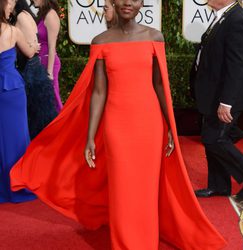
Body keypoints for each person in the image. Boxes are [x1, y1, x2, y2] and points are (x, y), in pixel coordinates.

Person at [10, 0, 226, 249]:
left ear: (142, 3)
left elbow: (159, 85)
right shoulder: (101, 41)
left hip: (149, 124)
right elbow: (99, 92)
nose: (127, 3)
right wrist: (90, 136)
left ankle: (145, 241)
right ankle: (124, 243)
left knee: (145, 189)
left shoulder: (155, 36)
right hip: (117, 126)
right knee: (122, 188)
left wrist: (169, 127)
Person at [190, 0, 243, 200]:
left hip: (226, 96)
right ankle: (219, 185)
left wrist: (227, 102)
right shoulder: (224, 16)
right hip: (213, 93)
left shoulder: (236, 19)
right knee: (212, 139)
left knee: (214, 139)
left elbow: (237, 64)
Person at [0, 0, 38, 202]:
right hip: (12, 89)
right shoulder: (13, 31)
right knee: (18, 137)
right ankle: (18, 183)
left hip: (6, 89)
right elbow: (30, 52)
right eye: (8, 4)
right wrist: (34, 44)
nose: (11, 7)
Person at [10, 0, 58, 139]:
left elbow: (33, 50)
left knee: (37, 117)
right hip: (35, 67)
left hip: (31, 69)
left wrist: (49, 72)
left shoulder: (21, 17)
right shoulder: (26, 15)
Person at [33, 0, 63, 112]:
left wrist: (49, 73)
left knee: (53, 100)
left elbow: (52, 47)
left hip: (49, 64)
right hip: (41, 63)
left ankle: (62, 127)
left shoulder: (51, 15)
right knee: (44, 103)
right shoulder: (43, 15)